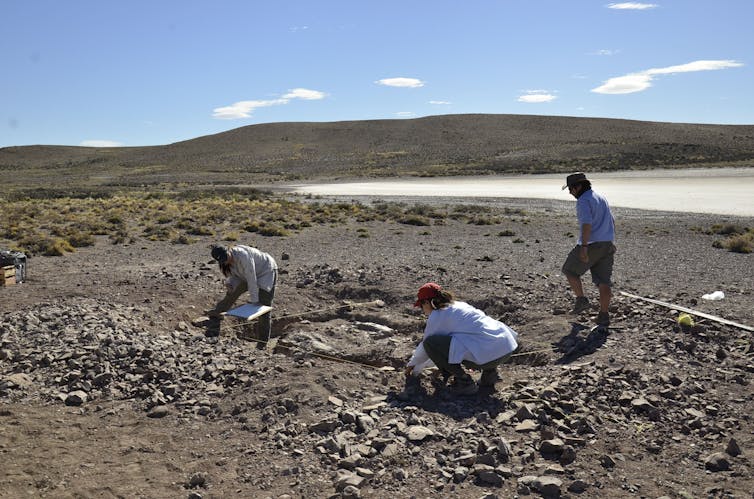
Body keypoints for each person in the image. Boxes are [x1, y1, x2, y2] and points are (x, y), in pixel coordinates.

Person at [404, 282, 519, 396]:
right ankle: (490, 375)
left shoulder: (438, 315)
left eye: (422, 305)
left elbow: (427, 346)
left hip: (490, 356)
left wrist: (413, 366)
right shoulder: (460, 305)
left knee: (432, 343)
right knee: (478, 337)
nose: (422, 309)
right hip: (507, 347)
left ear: (428, 302)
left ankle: (464, 382)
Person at [561, 172, 616, 327]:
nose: (570, 193)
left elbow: (586, 224)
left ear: (578, 187)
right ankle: (603, 316)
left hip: (591, 244)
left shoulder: (584, 201)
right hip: (607, 243)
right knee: (604, 281)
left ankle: (581, 300)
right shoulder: (600, 197)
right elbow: (611, 220)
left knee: (569, 270)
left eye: (571, 189)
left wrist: (584, 247)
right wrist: (611, 240)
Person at [206, 244, 278, 344]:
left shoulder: (243, 256)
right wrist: (230, 284)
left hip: (265, 271)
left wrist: (255, 302)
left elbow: (251, 279)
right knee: (232, 292)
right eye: (223, 261)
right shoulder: (224, 262)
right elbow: (233, 276)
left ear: (229, 251)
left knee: (263, 307)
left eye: (226, 258)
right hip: (244, 275)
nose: (226, 261)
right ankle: (218, 312)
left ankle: (262, 342)